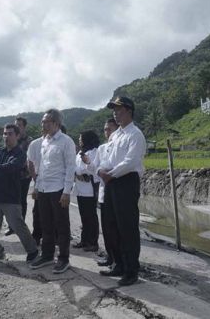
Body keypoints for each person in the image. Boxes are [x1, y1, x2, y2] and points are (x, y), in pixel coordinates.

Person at [98, 96, 146, 286]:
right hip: (111, 181)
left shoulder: (135, 134)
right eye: (114, 110)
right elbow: (107, 158)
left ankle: (131, 270)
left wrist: (111, 174)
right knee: (111, 225)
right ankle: (118, 264)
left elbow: (131, 161)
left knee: (127, 227)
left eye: (119, 110)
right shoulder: (115, 135)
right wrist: (101, 170)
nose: (115, 114)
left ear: (129, 111)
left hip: (125, 181)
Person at [0, 124, 39, 272]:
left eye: (10, 134)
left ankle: (32, 250)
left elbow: (10, 167)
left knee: (18, 226)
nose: (6, 136)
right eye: (5, 134)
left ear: (17, 136)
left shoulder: (20, 154)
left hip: (11, 198)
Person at [29, 109, 76, 274]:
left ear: (56, 123)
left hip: (58, 190)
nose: (43, 124)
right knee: (45, 224)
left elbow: (71, 167)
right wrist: (36, 187)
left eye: (46, 121)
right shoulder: (45, 142)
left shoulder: (66, 141)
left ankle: (64, 258)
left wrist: (66, 192)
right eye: (42, 122)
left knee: (61, 226)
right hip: (43, 189)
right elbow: (42, 167)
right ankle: (47, 255)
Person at [83, 118, 118, 267]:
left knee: (117, 229)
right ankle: (110, 257)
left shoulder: (120, 145)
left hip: (117, 189)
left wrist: (101, 171)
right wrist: (88, 163)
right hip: (104, 191)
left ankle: (119, 260)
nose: (107, 132)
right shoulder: (102, 148)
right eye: (105, 129)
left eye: (110, 129)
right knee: (107, 228)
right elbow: (94, 169)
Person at [5, 116, 33, 236]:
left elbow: (29, 158)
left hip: (23, 176)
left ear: (24, 127)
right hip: (11, 175)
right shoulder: (11, 138)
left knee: (21, 201)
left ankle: (20, 226)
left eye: (19, 125)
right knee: (11, 201)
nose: (17, 127)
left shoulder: (29, 141)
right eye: (16, 124)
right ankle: (12, 226)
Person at [73, 130, 100, 252]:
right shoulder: (80, 152)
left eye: (81, 138)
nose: (79, 140)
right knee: (84, 216)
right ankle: (84, 240)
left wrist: (84, 168)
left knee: (91, 216)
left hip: (89, 188)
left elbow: (93, 169)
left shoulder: (95, 152)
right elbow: (75, 167)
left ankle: (93, 242)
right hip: (80, 188)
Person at [27, 132, 46, 245]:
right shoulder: (35, 144)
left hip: (56, 183)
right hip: (40, 181)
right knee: (38, 211)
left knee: (54, 212)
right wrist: (35, 178)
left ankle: (54, 237)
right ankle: (37, 236)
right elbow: (30, 162)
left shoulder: (62, 142)